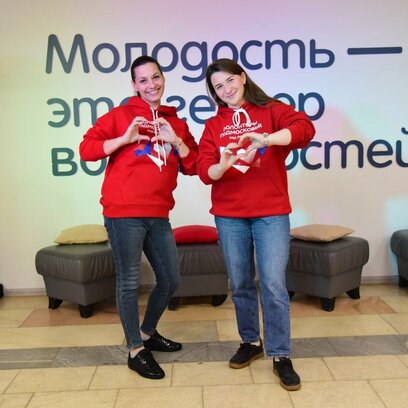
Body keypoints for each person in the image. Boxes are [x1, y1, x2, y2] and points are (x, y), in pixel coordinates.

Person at [196, 58, 315, 391]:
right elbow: (205, 171)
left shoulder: (271, 110)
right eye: (218, 87)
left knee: (274, 285)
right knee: (240, 283)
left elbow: (305, 129)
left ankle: (280, 354)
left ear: (243, 77)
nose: (226, 89)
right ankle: (250, 341)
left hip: (271, 213)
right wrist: (222, 164)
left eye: (230, 81)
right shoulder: (213, 125)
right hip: (229, 215)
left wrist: (267, 139)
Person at [79, 56, 198, 380]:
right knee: (129, 281)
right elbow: (87, 149)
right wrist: (124, 139)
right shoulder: (120, 116)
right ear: (134, 85)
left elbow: (193, 166)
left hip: (159, 213)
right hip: (123, 213)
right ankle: (135, 350)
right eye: (143, 80)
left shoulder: (176, 123)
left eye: (155, 77)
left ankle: (147, 333)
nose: (151, 85)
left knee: (171, 279)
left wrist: (176, 141)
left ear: (163, 79)